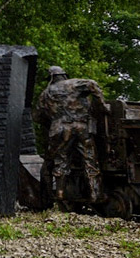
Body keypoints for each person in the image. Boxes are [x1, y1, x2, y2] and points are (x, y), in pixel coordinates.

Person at [34, 66, 108, 205]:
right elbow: (92, 84)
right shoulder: (74, 83)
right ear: (64, 75)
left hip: (59, 128)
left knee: (61, 160)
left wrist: (52, 120)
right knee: (90, 159)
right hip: (81, 126)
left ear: (50, 78)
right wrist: (101, 105)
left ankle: (60, 194)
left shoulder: (45, 94)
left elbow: (38, 117)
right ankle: (95, 194)